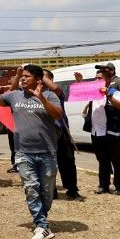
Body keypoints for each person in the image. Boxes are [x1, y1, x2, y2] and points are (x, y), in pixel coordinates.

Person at [0, 64, 63, 239]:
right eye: (22, 76)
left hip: (47, 151)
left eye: (26, 76)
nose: (22, 78)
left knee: (46, 192)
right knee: (31, 189)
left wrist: (42, 98)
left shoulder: (50, 95)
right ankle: (42, 225)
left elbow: (58, 115)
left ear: (38, 80)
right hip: (23, 152)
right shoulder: (14, 95)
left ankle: (42, 221)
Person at [83, 69, 120, 195]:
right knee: (102, 160)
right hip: (96, 132)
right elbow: (81, 93)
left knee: (116, 159)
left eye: (99, 78)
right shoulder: (94, 93)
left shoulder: (114, 92)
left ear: (107, 80)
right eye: (95, 78)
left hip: (111, 132)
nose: (96, 80)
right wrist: (79, 81)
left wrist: (107, 94)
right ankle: (103, 185)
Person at [43, 69, 80, 199]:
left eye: (43, 77)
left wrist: (41, 75)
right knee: (48, 162)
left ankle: (72, 189)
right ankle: (51, 190)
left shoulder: (54, 93)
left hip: (60, 131)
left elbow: (57, 89)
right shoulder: (33, 94)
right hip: (45, 133)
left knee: (67, 161)